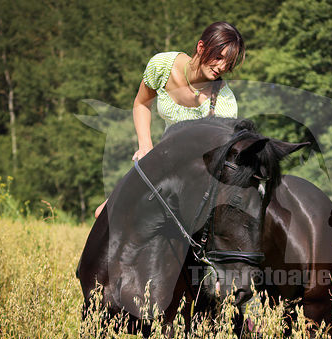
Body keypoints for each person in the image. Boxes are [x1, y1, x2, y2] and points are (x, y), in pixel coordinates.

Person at [95, 21, 245, 218]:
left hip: (196, 176)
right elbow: (141, 103)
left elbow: (218, 156)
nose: (222, 67)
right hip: (160, 158)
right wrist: (145, 145)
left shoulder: (225, 103)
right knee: (103, 214)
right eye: (218, 57)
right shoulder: (163, 66)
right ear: (201, 47)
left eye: (228, 63)